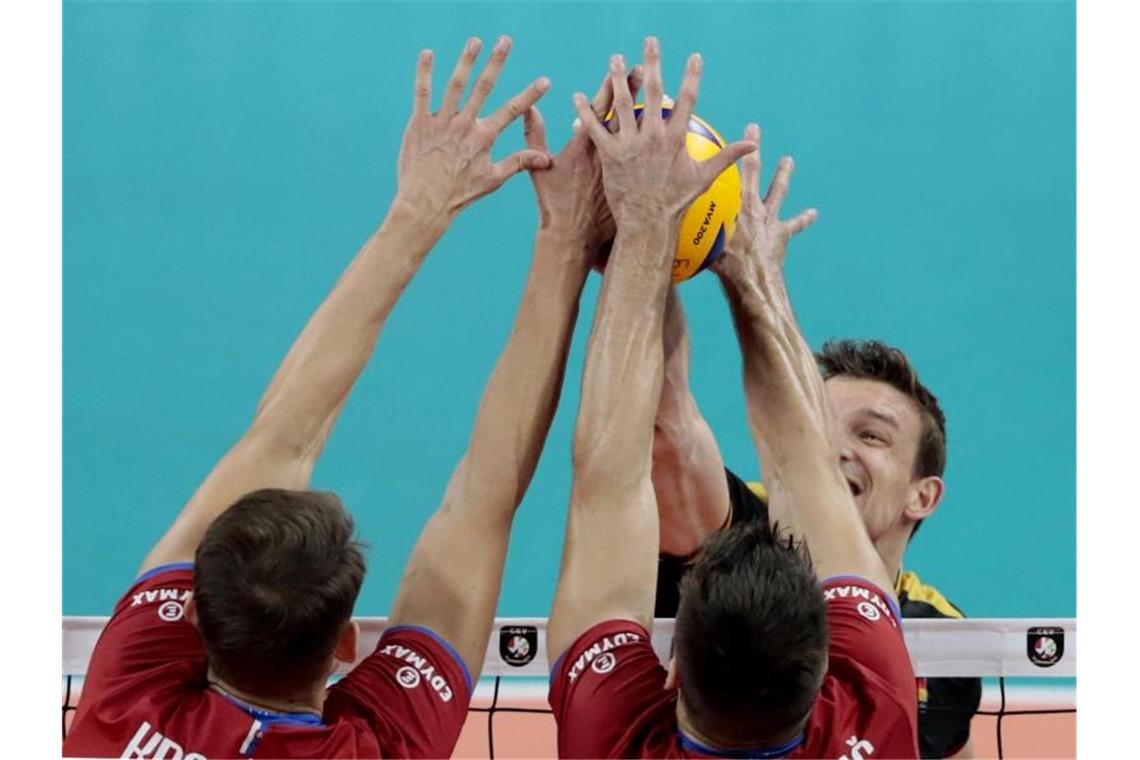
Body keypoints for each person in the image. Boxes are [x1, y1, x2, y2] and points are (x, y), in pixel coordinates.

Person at [64, 35, 614, 758]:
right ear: (347, 645)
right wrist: (564, 239)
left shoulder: (125, 697)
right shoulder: (374, 743)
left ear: (190, 613)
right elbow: (478, 500)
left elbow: (286, 440)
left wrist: (417, 213)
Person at [547, 37, 919, 757]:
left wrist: (643, 236)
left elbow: (611, 479)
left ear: (674, 666)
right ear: (825, 680)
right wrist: (752, 275)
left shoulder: (611, 737)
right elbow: (802, 464)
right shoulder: (881, 721)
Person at [652, 310, 982, 757]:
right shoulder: (744, 539)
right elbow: (670, 435)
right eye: (817, 428)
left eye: (871, 436)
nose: (832, 449)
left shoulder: (943, 638)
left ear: (922, 496)